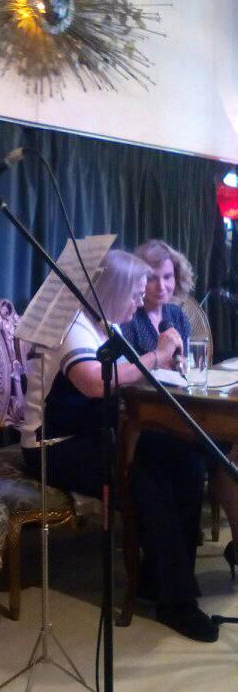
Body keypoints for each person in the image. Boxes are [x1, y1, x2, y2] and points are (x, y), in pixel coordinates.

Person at [20, 249, 219, 643]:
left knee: (186, 460)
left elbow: (127, 379)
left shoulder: (105, 322)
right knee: (145, 478)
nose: (137, 302)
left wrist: (165, 364)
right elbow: (94, 382)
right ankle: (175, 602)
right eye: (134, 294)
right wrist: (156, 355)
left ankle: (158, 578)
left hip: (95, 431)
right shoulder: (73, 324)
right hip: (55, 444)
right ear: (112, 290)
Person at [123, 239, 238, 580]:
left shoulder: (176, 314)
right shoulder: (129, 317)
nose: (162, 286)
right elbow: (126, 378)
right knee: (205, 455)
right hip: (147, 421)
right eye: (152, 278)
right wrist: (161, 357)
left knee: (232, 450)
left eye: (168, 277)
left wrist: (183, 366)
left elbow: (185, 367)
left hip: (183, 409)